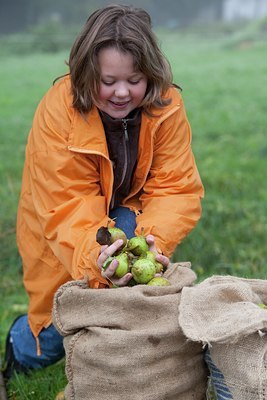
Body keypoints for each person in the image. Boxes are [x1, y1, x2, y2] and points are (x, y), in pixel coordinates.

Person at [3, 4, 204, 380]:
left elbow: (175, 187)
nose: (122, 92)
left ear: (152, 74)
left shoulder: (167, 105)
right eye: (108, 81)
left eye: (135, 79)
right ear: (85, 73)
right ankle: (20, 344)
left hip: (127, 209)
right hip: (65, 224)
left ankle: (121, 371)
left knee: (126, 300)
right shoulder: (58, 112)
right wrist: (97, 259)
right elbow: (66, 205)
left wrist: (154, 242)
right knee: (59, 324)